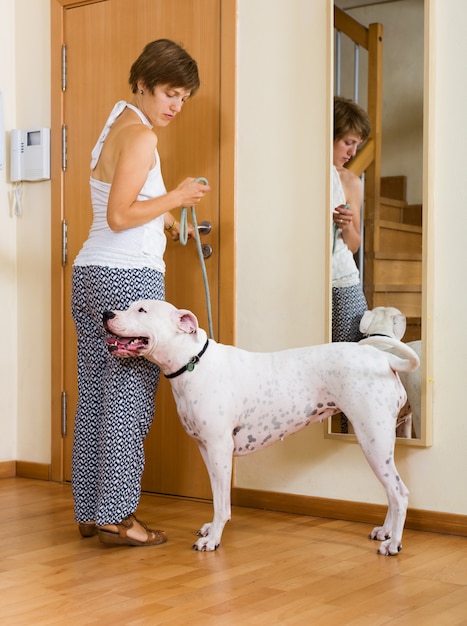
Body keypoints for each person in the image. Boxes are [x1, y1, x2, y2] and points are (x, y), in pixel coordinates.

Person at [71, 39, 210, 546]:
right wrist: (178, 196)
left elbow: (125, 198)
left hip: (92, 274)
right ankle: (118, 517)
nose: (175, 105)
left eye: (184, 97)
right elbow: (120, 216)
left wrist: (172, 220)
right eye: (170, 93)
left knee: (96, 397)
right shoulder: (143, 137)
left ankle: (92, 508)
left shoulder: (117, 124)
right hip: (127, 280)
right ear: (144, 83)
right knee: (127, 400)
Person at [331, 95, 370, 344]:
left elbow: (354, 245)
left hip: (344, 283)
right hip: (306, 281)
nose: (353, 152)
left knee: (350, 359)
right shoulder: (301, 173)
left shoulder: (351, 182)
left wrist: (346, 227)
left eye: (357, 145)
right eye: (348, 142)